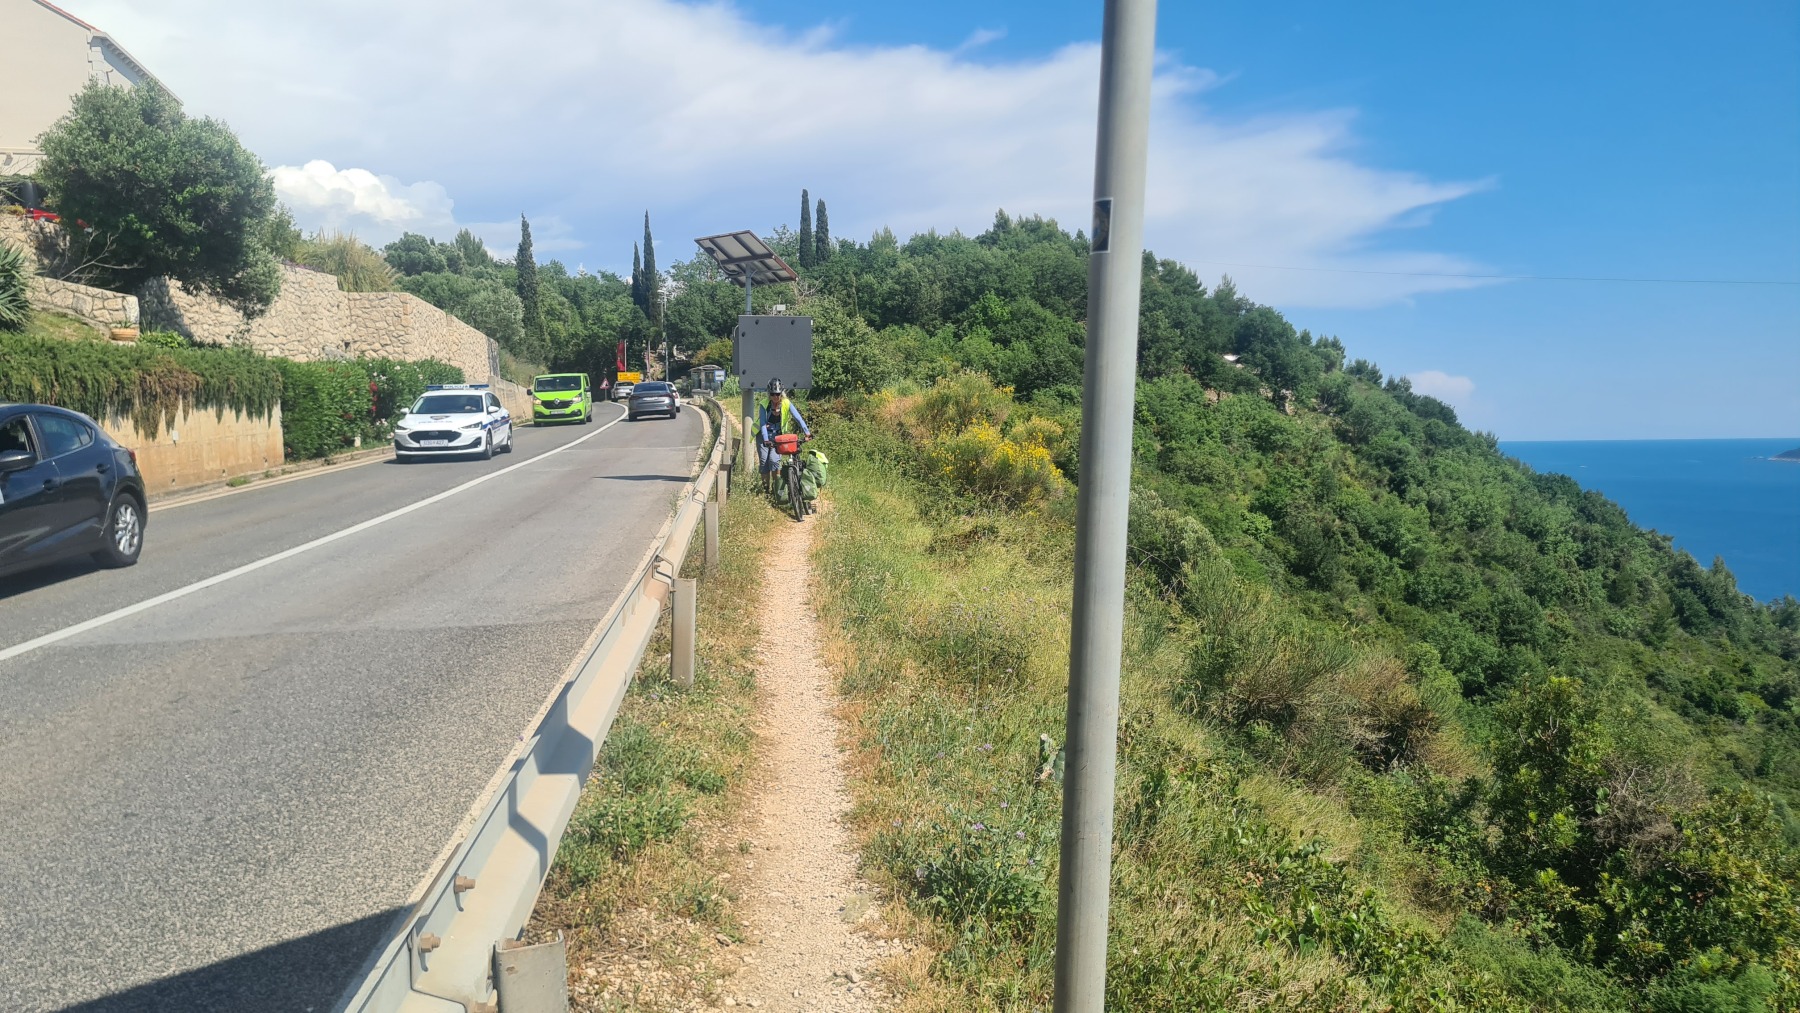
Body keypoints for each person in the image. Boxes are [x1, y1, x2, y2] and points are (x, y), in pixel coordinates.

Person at [758, 379, 811, 493]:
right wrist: (766, 440)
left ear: (781, 393)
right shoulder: (764, 404)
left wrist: (807, 432)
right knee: (764, 462)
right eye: (772, 394)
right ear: (769, 393)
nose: (775, 397)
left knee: (774, 461)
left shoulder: (786, 403)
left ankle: (776, 489)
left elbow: (798, 418)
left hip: (778, 436)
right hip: (763, 436)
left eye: (777, 394)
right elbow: (762, 423)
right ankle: (766, 490)